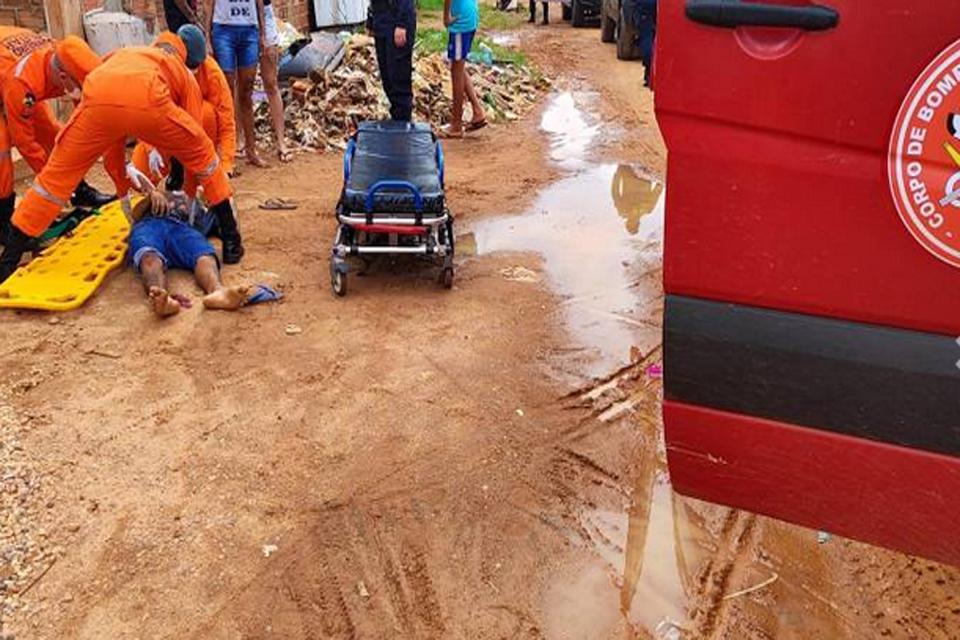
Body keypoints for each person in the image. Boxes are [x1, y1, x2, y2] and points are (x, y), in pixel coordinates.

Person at [0, 39, 244, 284]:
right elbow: (196, 140)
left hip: (96, 101)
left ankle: (8, 260)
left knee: (52, 178)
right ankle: (232, 241)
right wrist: (190, 194)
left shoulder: (117, 55)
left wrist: (122, 188)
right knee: (205, 157)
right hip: (149, 103)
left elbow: (113, 140)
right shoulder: (177, 68)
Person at [0, 31, 113, 244]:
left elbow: (82, 114)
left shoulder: (64, 56)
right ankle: (3, 221)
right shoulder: (22, 84)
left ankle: (79, 190)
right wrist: (53, 187)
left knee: (53, 132)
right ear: (62, 77)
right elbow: (26, 144)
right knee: (2, 152)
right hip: (9, 81)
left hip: (14, 73)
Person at [131, 26, 237, 185]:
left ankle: (192, 174)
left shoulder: (211, 72)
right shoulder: (156, 63)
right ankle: (172, 168)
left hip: (196, 129)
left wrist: (225, 167)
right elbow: (142, 110)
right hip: (163, 127)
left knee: (207, 114)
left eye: (196, 67)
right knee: (140, 177)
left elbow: (226, 120)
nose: (193, 72)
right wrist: (150, 148)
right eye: (189, 65)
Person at [127, 190, 248, 318]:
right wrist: (150, 198)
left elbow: (231, 227)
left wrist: (219, 199)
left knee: (205, 255)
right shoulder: (161, 191)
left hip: (182, 228)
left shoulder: (203, 212)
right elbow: (135, 215)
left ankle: (217, 291)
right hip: (149, 225)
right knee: (149, 257)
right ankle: (161, 298)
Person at [207, 0, 267, 167]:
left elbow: (259, 3)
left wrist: (263, 33)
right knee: (225, 91)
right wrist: (207, 37)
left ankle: (250, 149)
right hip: (223, 28)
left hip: (249, 28)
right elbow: (209, 4)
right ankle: (226, 152)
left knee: (246, 90)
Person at [441, 0, 486, 138]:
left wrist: (446, 17)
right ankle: (477, 111)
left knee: (457, 73)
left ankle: (456, 125)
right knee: (458, 68)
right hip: (468, 14)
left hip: (461, 21)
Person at [368, 0, 416, 121]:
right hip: (381, 21)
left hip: (396, 22)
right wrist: (371, 19)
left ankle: (403, 122)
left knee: (398, 77)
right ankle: (396, 117)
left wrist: (402, 23)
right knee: (387, 77)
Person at [259, 0, 291, 163]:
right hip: (242, 18)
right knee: (242, 85)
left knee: (271, 83)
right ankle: (241, 141)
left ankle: (281, 141)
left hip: (264, 12)